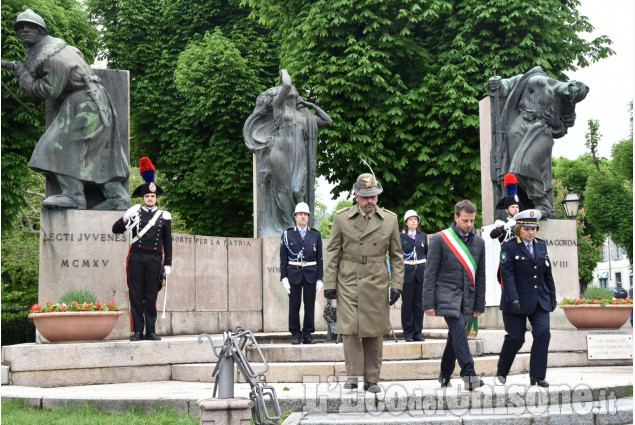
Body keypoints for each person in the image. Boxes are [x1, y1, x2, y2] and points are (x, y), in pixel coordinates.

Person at [5, 9, 129, 210]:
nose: (23, 31)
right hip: (90, 101)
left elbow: (50, 90)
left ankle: (73, 196)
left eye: (30, 27)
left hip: (85, 105)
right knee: (96, 154)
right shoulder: (62, 49)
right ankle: (117, 198)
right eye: (20, 28)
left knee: (52, 148)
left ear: (41, 30)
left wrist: (24, 77)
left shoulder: (55, 58)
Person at [323, 173, 404, 393]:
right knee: (349, 331)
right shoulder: (342, 218)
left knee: (375, 331)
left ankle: (372, 379)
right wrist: (329, 283)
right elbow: (331, 252)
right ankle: (352, 376)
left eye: (374, 197)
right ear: (356, 196)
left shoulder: (390, 219)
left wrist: (397, 284)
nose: (370, 201)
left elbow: (397, 255)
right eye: (366, 197)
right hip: (349, 281)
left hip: (377, 281)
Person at [488, 67, 588, 219]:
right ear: (571, 83)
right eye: (570, 91)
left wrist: (555, 123)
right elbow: (513, 84)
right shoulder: (537, 77)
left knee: (526, 164)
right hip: (520, 124)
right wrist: (498, 84)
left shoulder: (568, 103)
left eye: (572, 98)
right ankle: (516, 206)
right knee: (513, 169)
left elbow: (563, 129)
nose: (568, 96)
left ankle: (542, 204)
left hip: (542, 130)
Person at [244, 69, 332, 237]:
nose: (292, 92)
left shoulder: (305, 116)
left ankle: (300, 227)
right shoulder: (279, 108)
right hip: (281, 151)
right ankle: (287, 227)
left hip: (298, 156)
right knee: (283, 190)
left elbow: (327, 121)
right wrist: (283, 71)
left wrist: (312, 106)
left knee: (299, 191)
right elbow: (287, 84)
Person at [423, 200, 486, 390]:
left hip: (468, 297)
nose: (469, 225)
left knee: (455, 337)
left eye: (472, 221)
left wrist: (479, 304)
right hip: (446, 294)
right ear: (456, 217)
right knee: (459, 330)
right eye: (465, 220)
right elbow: (430, 272)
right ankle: (469, 374)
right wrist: (428, 303)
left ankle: (444, 375)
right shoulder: (441, 239)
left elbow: (481, 275)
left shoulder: (479, 242)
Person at [112, 158, 172, 341]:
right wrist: (124, 218)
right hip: (137, 256)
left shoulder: (164, 216)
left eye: (152, 196)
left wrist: (168, 263)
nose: (150, 199)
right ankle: (137, 330)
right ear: (143, 198)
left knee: (151, 295)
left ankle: (151, 331)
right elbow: (116, 230)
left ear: (156, 198)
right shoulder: (135, 213)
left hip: (154, 258)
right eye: (147, 196)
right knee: (136, 294)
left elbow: (167, 241)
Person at [496, 209, 556, 387]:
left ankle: (537, 376)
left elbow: (547, 274)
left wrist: (552, 296)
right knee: (516, 338)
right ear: (518, 229)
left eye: (534, 229)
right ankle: (502, 370)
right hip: (516, 300)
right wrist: (513, 298)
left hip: (539, 299)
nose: (531, 232)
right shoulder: (509, 246)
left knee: (543, 333)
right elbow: (507, 275)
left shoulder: (541, 245)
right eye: (527, 229)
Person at [280, 202, 323, 345]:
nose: (303, 217)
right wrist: (284, 277)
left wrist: (320, 278)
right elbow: (283, 258)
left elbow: (320, 258)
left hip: (311, 274)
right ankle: (296, 334)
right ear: (295, 217)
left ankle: (308, 334)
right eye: (300, 214)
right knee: (294, 305)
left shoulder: (315, 235)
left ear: (308, 217)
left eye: (305, 214)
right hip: (294, 274)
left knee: (309, 305)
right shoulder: (287, 234)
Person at [400, 210, 427, 342]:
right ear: (406, 222)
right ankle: (408, 333)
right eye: (411, 219)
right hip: (407, 273)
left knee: (419, 304)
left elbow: (426, 254)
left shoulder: (422, 236)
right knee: (407, 304)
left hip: (420, 274)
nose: (413, 221)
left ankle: (418, 333)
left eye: (415, 219)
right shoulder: (401, 236)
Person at [490, 173, 521, 244]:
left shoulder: (522, 222)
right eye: (512, 207)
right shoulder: (502, 222)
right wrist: (505, 227)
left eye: (517, 207)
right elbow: (492, 235)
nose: (516, 209)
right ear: (507, 210)